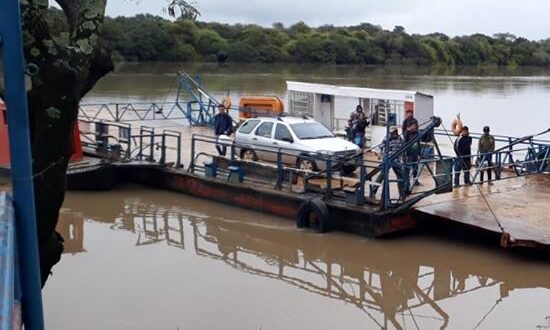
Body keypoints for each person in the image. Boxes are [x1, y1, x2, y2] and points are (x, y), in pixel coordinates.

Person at [370, 127, 406, 200]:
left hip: (396, 160)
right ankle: (373, 191)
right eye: (391, 133)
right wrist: (379, 154)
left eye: (393, 133)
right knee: (382, 175)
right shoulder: (387, 139)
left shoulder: (400, 139)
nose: (392, 135)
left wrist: (404, 158)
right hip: (387, 159)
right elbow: (380, 147)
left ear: (396, 132)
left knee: (401, 177)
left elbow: (404, 149)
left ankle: (402, 194)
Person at [402, 108, 420, 184]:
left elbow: (418, 140)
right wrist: (408, 130)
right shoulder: (405, 122)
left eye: (410, 113)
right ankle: (406, 181)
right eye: (408, 113)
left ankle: (415, 180)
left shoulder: (415, 122)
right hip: (408, 149)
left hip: (415, 149)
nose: (409, 115)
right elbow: (404, 135)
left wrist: (420, 153)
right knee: (407, 166)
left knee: (415, 166)